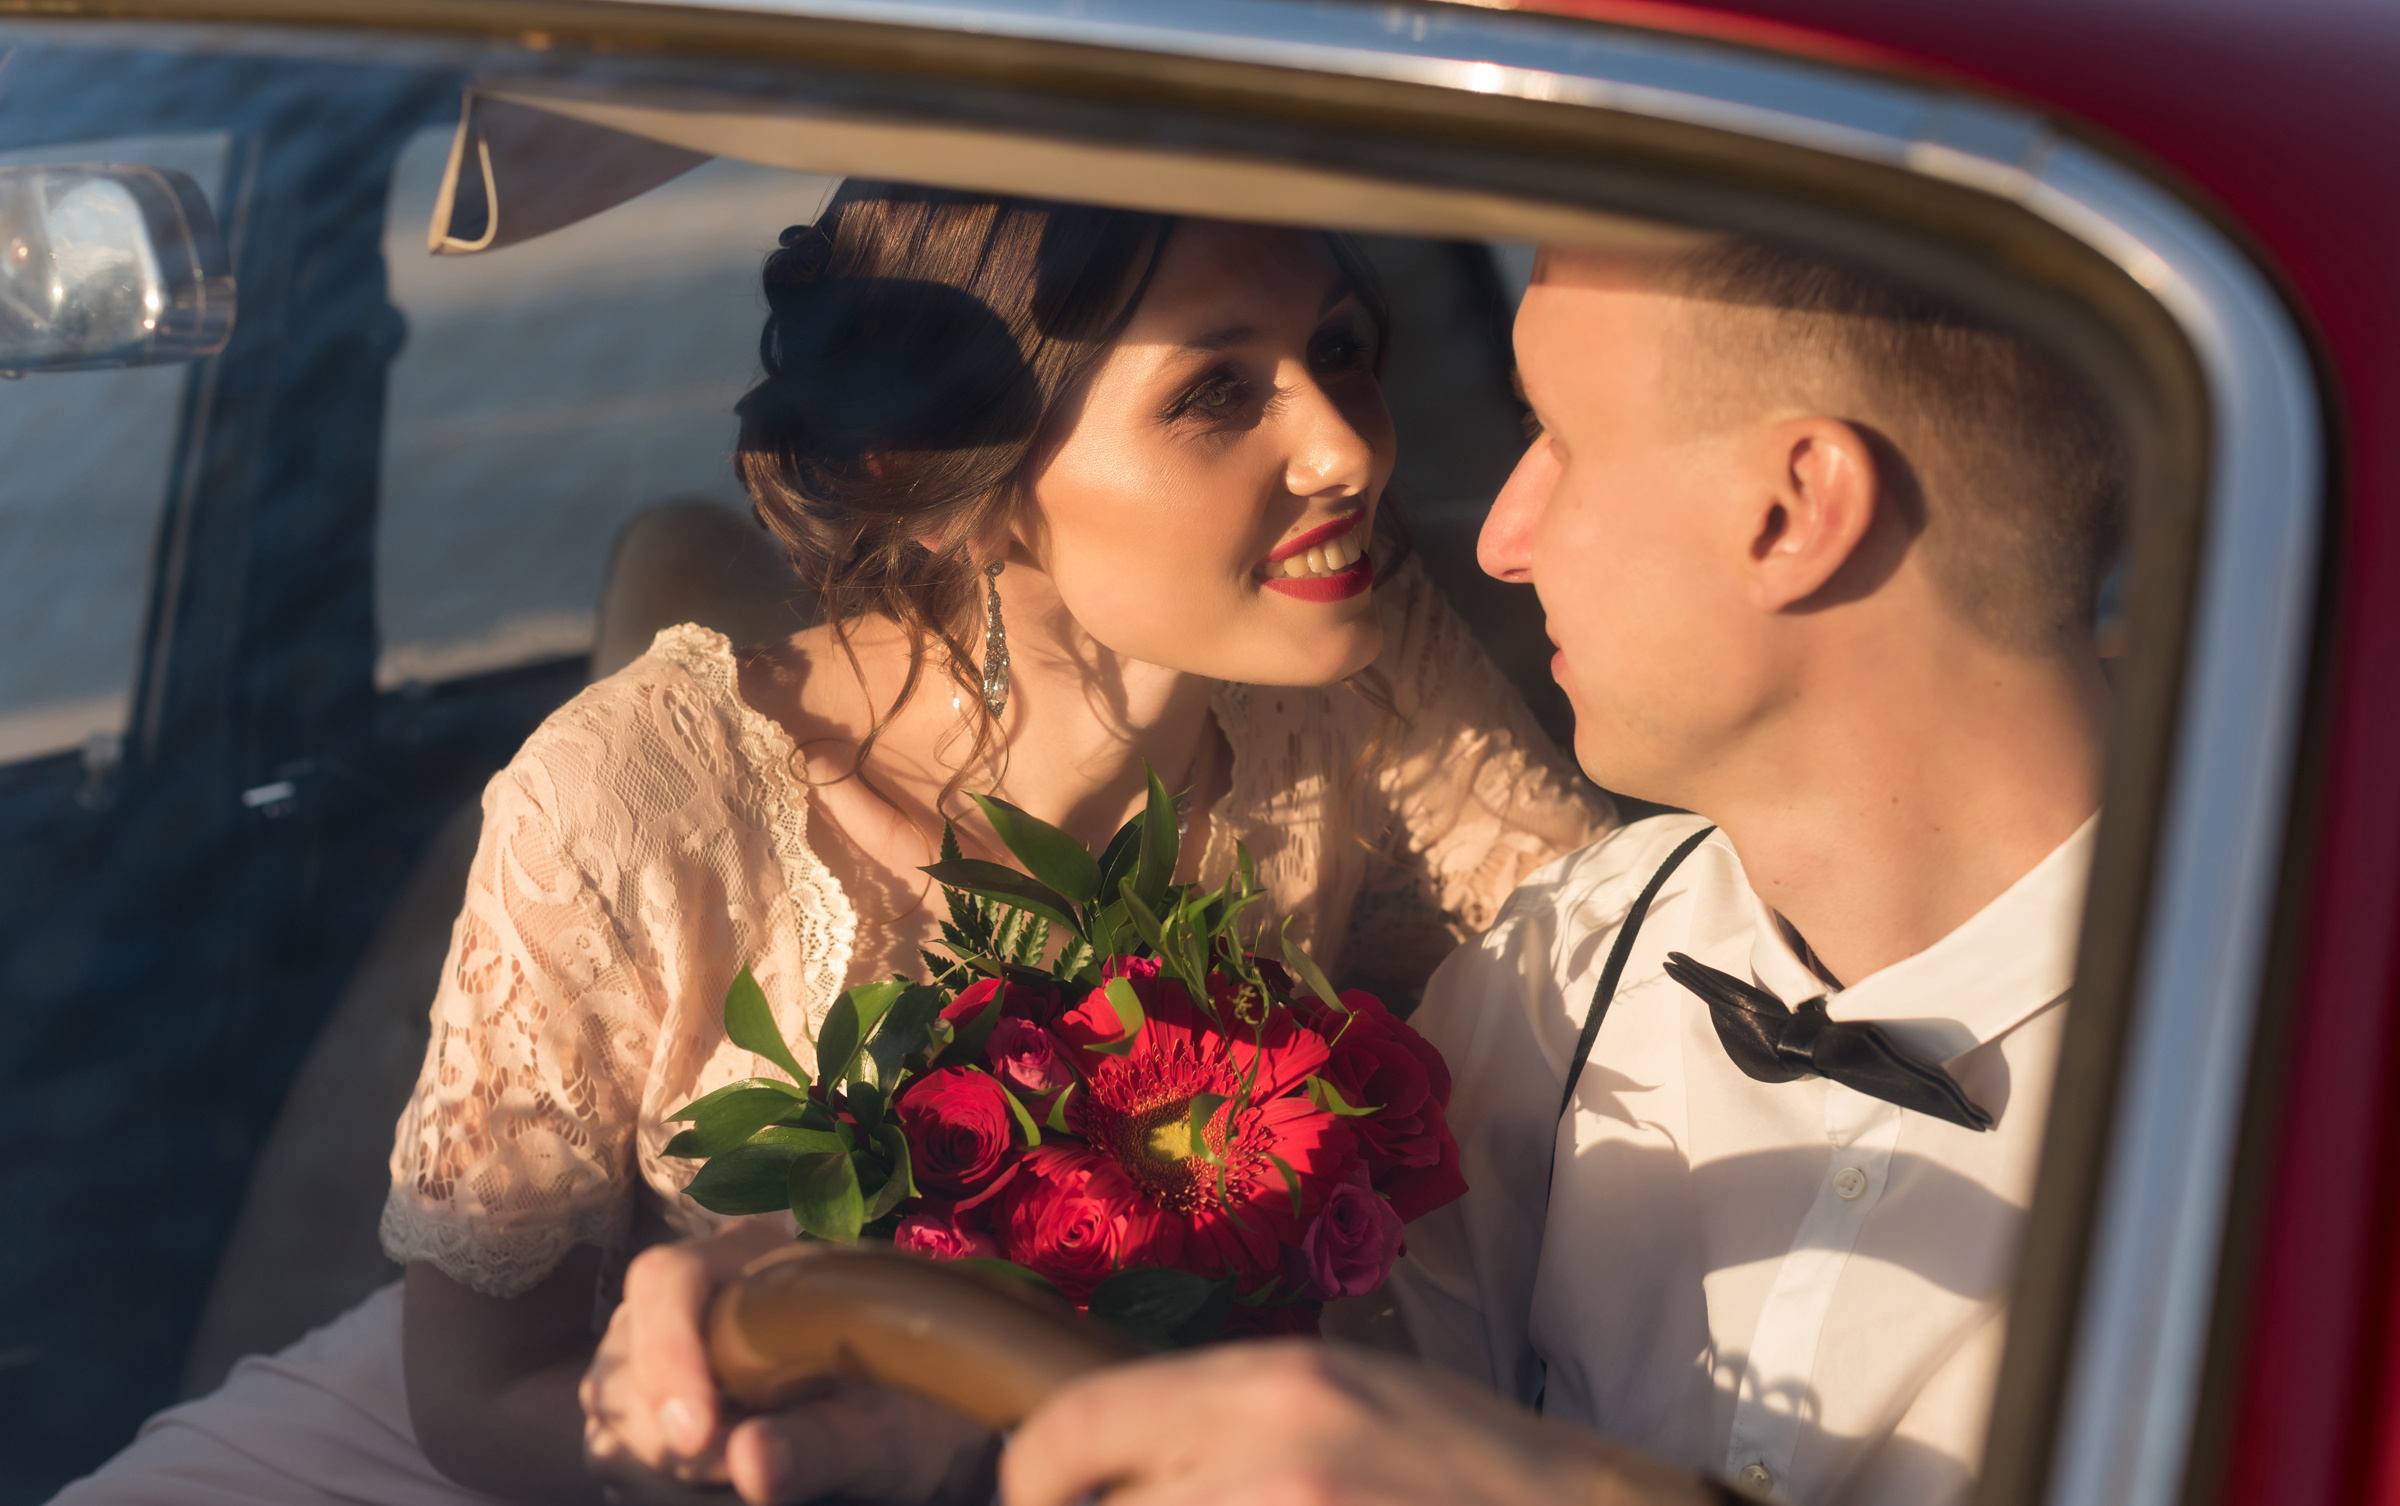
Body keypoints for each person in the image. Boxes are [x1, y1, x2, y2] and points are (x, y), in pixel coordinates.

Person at [45, 188, 1608, 1506]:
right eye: (1217, 391)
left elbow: (1608, 966)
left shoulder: (1357, 664)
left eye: (1342, 350)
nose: (1347, 448)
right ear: (962, 497)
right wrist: (757, 1452)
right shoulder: (634, 807)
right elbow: (480, 1387)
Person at [585, 230, 2119, 1506]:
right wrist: (954, 1401)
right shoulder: (1562, 972)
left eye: (1553, 443)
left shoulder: (2281, 1127)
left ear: (1791, 511)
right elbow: (1328, 1406)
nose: (1499, 538)